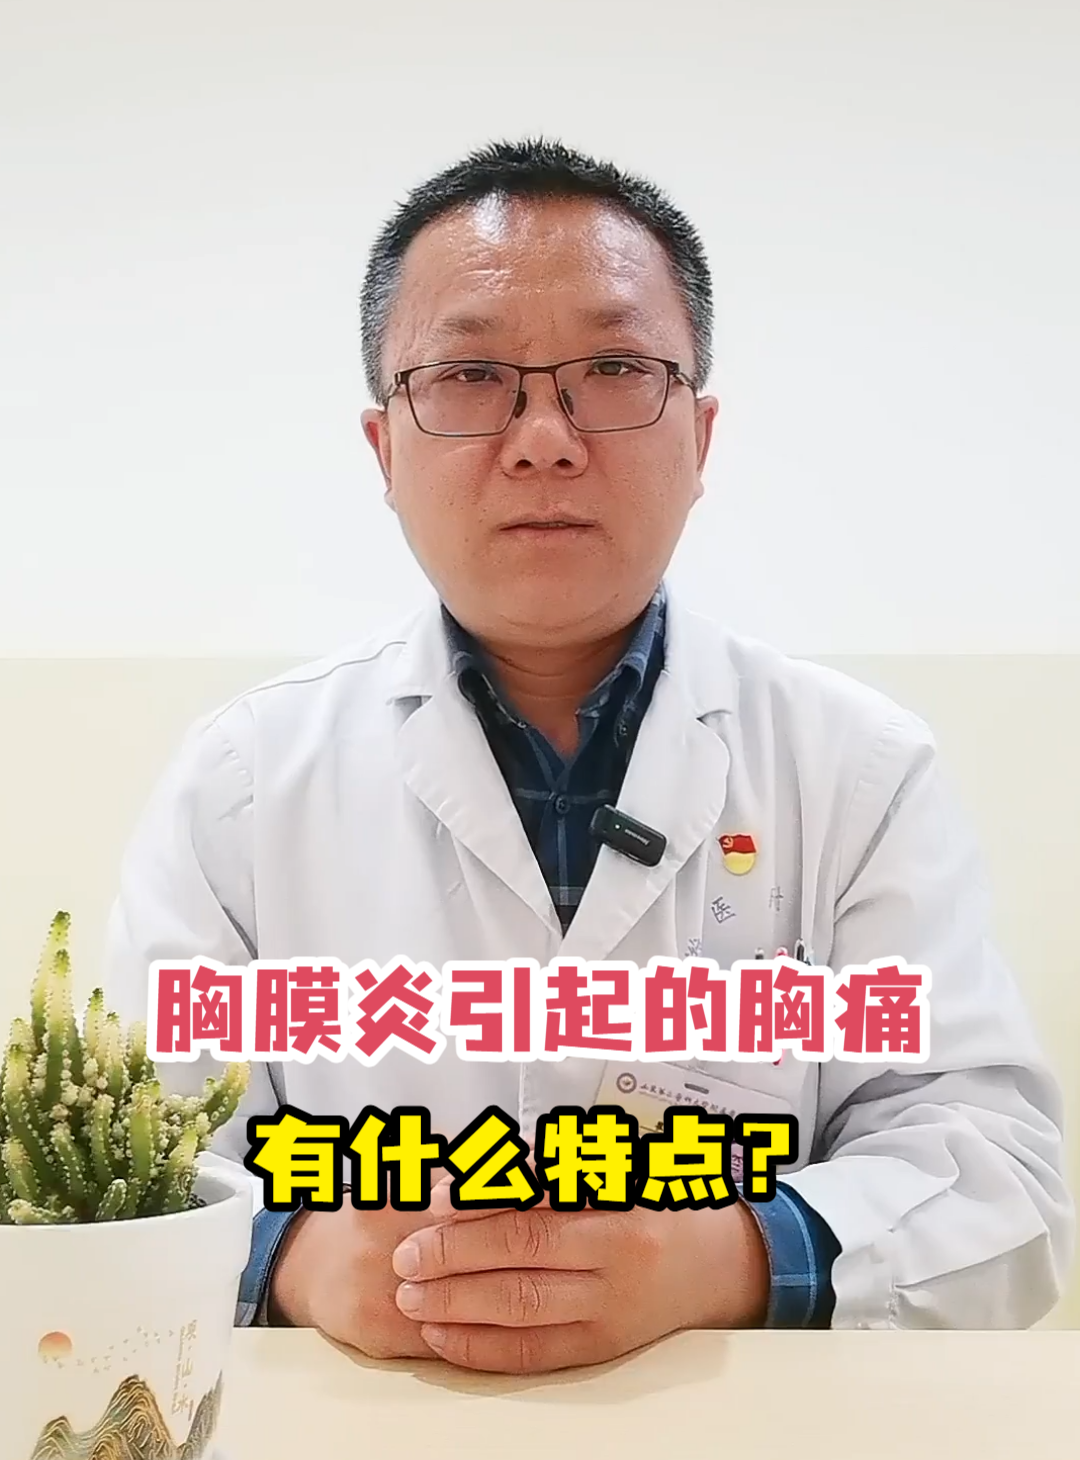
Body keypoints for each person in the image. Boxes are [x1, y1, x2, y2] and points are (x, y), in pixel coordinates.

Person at [104, 137, 1073, 1372]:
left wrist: (726, 1259)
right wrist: (292, 1255)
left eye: (614, 369)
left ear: (701, 436)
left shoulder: (857, 770)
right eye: (470, 376)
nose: (545, 438)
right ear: (384, 449)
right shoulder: (242, 781)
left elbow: (997, 1173)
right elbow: (125, 1162)